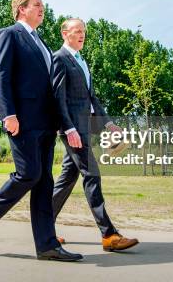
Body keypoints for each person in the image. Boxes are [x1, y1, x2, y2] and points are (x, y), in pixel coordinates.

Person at [0, 0, 82, 261]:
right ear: (22, 10)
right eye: (37, 6)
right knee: (29, 174)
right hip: (22, 120)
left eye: (43, 6)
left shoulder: (42, 43)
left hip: (46, 123)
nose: (42, 10)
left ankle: (47, 245)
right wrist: (7, 113)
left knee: (45, 183)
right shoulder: (9, 34)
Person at [51, 18, 139, 252]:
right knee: (92, 174)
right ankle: (109, 234)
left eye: (84, 32)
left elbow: (91, 99)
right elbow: (58, 98)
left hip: (85, 126)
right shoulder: (59, 58)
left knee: (67, 180)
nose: (82, 35)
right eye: (77, 31)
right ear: (65, 33)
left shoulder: (82, 61)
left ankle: (43, 227)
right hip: (73, 129)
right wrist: (68, 128)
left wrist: (108, 123)